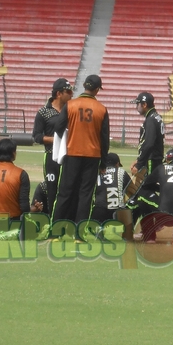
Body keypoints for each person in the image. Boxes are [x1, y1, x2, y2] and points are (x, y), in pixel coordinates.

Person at [52, 74, 110, 229]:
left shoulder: (70, 105)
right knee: (85, 195)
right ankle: (79, 232)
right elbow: (105, 140)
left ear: (84, 85)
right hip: (92, 156)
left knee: (65, 193)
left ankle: (56, 230)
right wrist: (103, 163)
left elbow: (58, 128)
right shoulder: (102, 109)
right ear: (97, 90)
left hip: (72, 153)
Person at [32, 78, 74, 214]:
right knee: (52, 189)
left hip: (70, 157)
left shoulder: (72, 110)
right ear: (58, 94)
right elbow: (37, 136)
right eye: (68, 91)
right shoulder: (43, 112)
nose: (71, 94)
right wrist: (57, 140)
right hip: (52, 156)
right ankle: (52, 220)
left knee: (69, 189)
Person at [128, 148, 173, 222]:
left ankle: (140, 226)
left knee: (141, 190)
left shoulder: (162, 168)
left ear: (167, 160)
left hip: (165, 217)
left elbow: (145, 184)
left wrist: (161, 188)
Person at [0, 138, 40, 221]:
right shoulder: (21, 174)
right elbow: (24, 207)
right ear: (13, 153)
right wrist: (33, 209)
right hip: (12, 223)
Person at [131, 92, 165, 178]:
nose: (136, 107)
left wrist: (139, 164)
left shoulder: (150, 120)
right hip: (156, 159)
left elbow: (149, 143)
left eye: (138, 104)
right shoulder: (157, 117)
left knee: (147, 187)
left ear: (144, 104)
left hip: (151, 160)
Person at [91, 152, 132, 223]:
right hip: (117, 212)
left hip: (98, 211)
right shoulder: (121, 172)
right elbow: (132, 190)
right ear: (117, 164)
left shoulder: (97, 172)